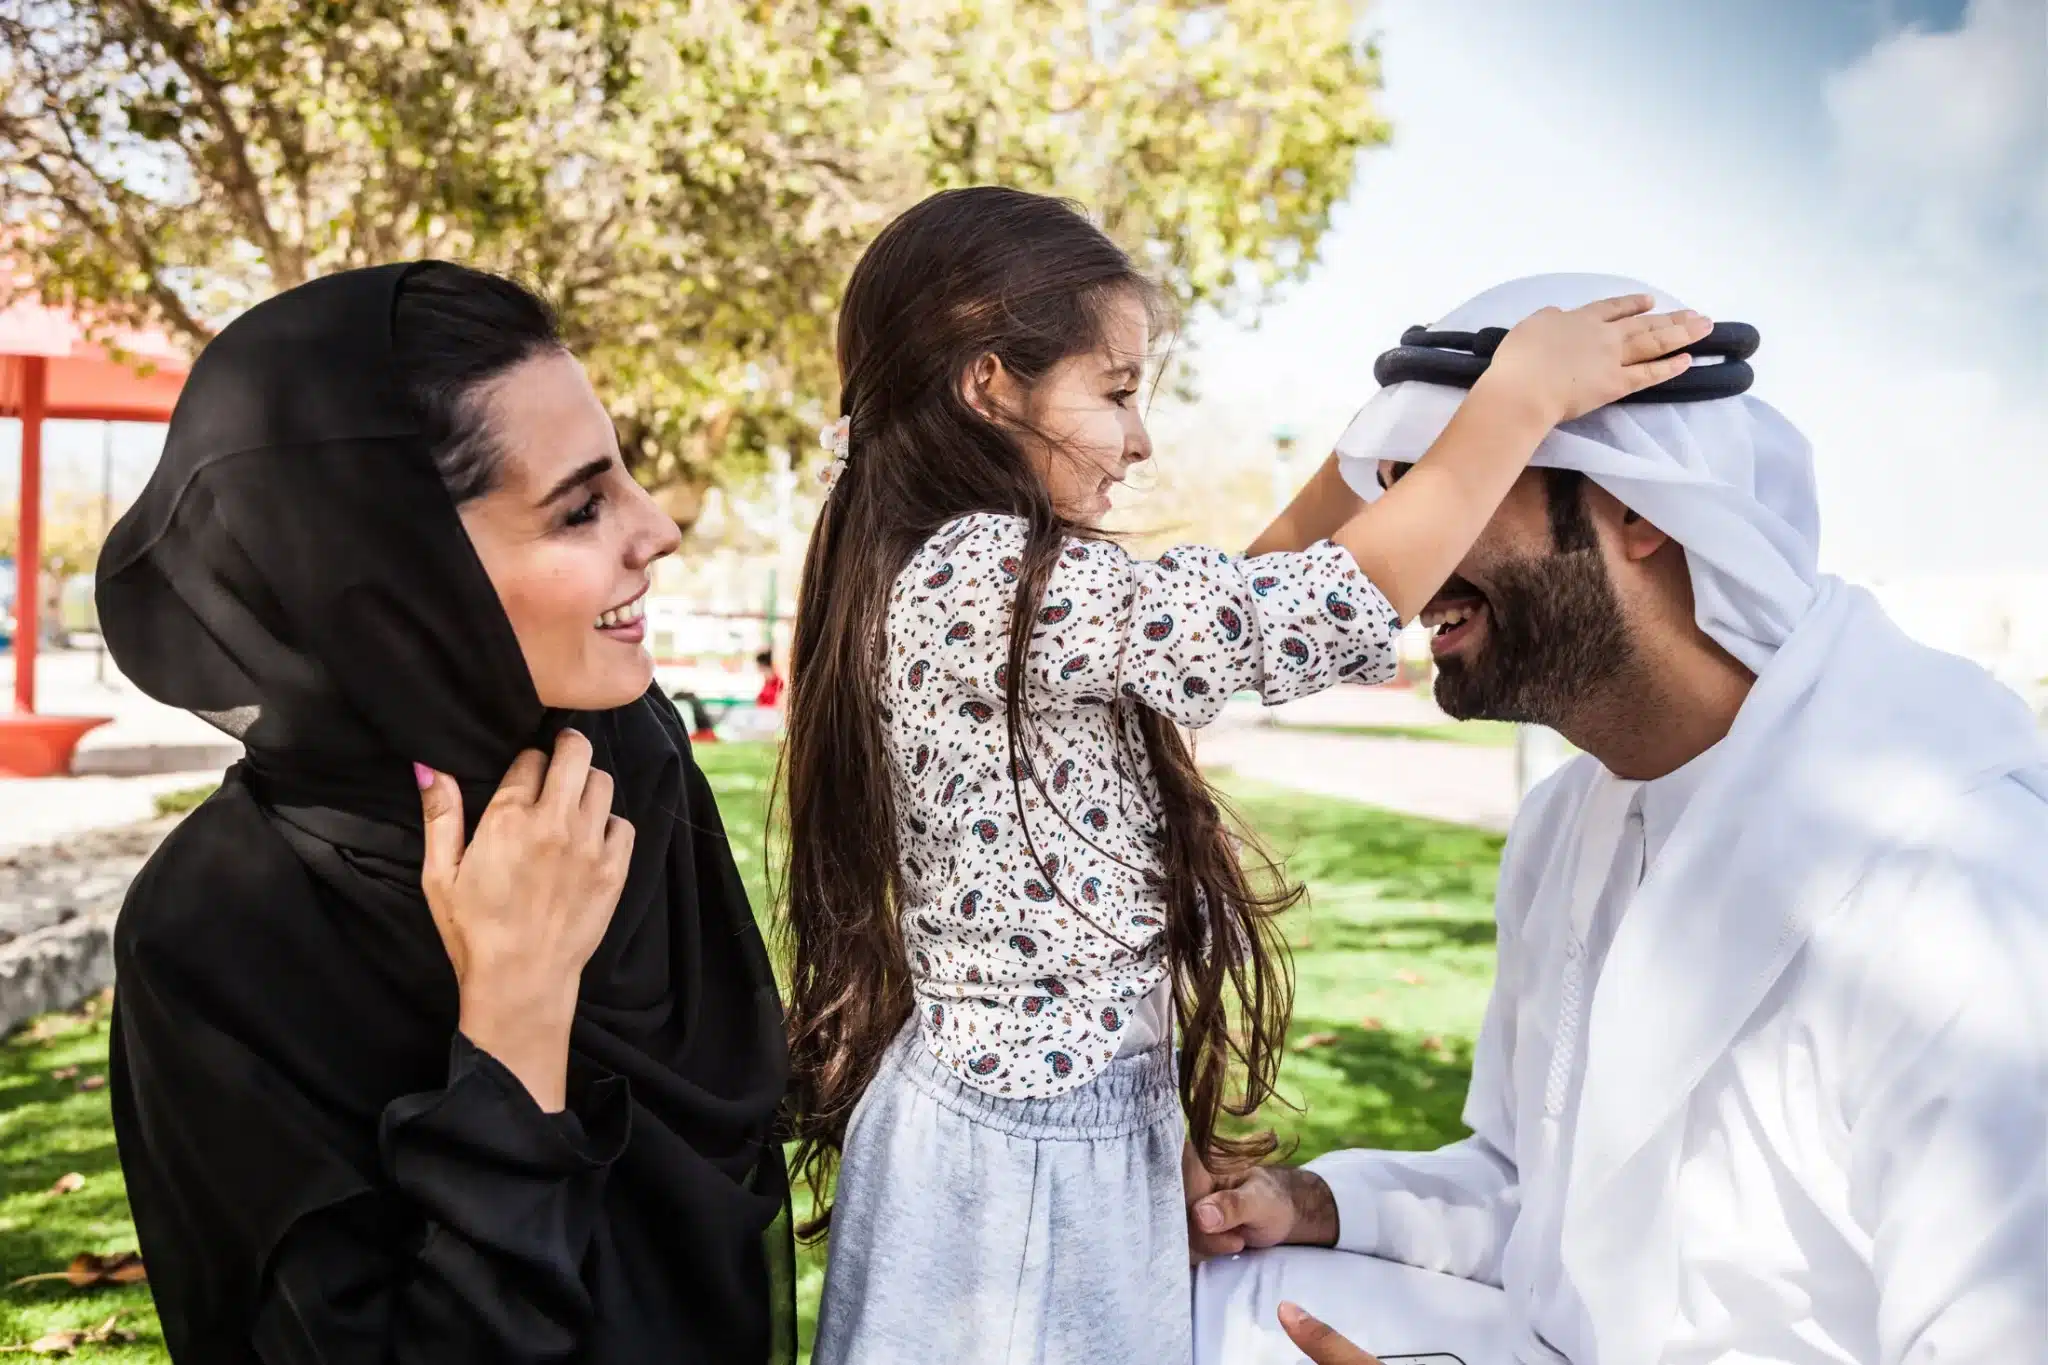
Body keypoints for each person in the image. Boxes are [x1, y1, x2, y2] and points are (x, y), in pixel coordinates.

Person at [779, 190, 1709, 1365]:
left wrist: (1370, 451)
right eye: (1114, 391)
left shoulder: (986, 577)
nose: (1140, 438)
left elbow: (1239, 596)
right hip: (1015, 1178)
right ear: (988, 386)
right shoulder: (977, 573)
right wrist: (1517, 402)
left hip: (1049, 1137)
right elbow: (1284, 619)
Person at [1190, 274, 2048, 1365]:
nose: (1403, 556)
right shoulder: (1567, 825)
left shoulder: (1954, 886)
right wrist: (1310, 1202)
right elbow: (1542, 1202)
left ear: (1638, 510)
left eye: (1457, 481)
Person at [96, 263, 795, 1364]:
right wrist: (513, 1023)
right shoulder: (222, 932)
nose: (656, 530)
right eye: (579, 506)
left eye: (625, 477)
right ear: (387, 581)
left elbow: (736, 1134)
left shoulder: (620, 764)